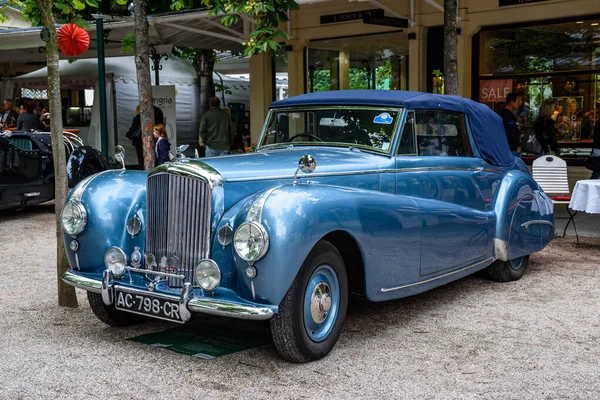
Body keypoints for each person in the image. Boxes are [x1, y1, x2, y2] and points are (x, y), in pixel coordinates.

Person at [125, 105, 165, 170]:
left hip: (140, 142)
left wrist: (128, 135)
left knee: (141, 160)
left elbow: (132, 129)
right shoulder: (159, 112)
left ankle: (143, 173)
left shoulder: (140, 115)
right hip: (156, 139)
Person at [498, 93, 521, 158]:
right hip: (511, 148)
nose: (518, 104)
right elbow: (511, 132)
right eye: (517, 102)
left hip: (503, 147)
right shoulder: (509, 116)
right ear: (511, 102)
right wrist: (516, 145)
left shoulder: (501, 114)